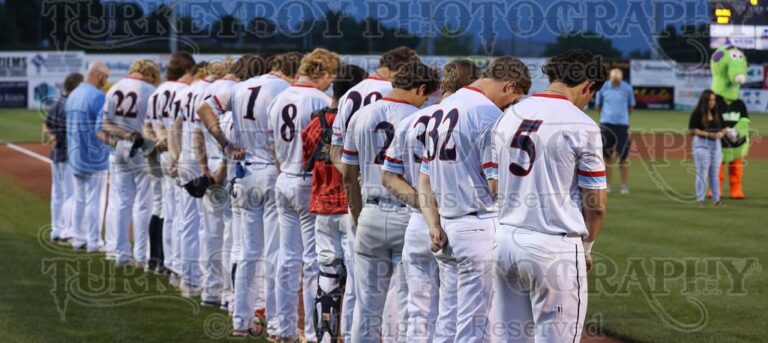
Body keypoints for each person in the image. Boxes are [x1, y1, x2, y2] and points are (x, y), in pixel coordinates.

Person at [489, 49, 608, 342]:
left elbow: (494, 184)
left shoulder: (509, 114)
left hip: (504, 241)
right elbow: (596, 204)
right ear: (588, 85)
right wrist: (587, 247)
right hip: (553, 247)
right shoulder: (582, 124)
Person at [418, 56, 531, 342]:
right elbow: (496, 186)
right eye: (513, 99)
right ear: (509, 86)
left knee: (447, 319)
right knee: (474, 325)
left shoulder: (440, 109)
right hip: (477, 226)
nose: (509, 106)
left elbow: (424, 180)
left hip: (445, 226)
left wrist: (433, 224)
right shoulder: (488, 114)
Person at [381, 59, 480, 343]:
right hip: (460, 221)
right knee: (456, 310)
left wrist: (424, 207)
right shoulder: (477, 118)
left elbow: (389, 177)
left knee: (418, 310)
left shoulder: (412, 120)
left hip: (418, 223)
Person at [341, 60, 440, 342]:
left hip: (370, 210)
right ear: (420, 88)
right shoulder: (421, 119)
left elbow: (348, 176)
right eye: (425, 95)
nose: (425, 101)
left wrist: (358, 216)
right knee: (407, 304)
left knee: (366, 306)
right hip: (409, 211)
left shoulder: (361, 115)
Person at [269, 48, 340, 343]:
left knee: (286, 258)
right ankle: (312, 333)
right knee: (313, 261)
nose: (331, 81)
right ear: (322, 72)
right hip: (308, 182)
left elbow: (272, 143)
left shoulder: (278, 98)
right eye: (331, 75)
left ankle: (282, 328)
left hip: (283, 177)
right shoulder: (319, 100)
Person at [302, 63, 367, 342]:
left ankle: (325, 337)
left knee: (327, 275)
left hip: (323, 206)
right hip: (351, 207)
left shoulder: (314, 122)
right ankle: (350, 335)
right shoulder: (358, 121)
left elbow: (305, 160)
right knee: (355, 276)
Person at [197, 55, 266, 305]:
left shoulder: (205, 89)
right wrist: (223, 162)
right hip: (230, 165)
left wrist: (204, 167)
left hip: (211, 161)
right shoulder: (238, 91)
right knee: (233, 237)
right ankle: (229, 295)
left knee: (210, 233)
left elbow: (196, 130)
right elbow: (231, 134)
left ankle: (211, 290)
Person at [101, 59, 159, 267]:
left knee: (122, 202)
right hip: (142, 148)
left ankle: (121, 254)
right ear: (149, 73)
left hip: (120, 147)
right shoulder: (150, 90)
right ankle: (141, 254)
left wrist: (124, 134)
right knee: (143, 203)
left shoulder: (114, 88)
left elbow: (105, 124)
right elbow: (154, 125)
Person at [146, 51, 196, 289]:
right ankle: (178, 265)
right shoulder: (185, 91)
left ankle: (166, 262)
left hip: (163, 152)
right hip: (181, 155)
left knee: (168, 209)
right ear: (187, 70)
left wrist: (159, 138)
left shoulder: (157, 91)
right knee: (183, 215)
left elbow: (148, 125)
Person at [65, 61, 110, 252]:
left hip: (75, 154)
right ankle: (94, 241)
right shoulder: (98, 96)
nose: (106, 81)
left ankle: (78, 238)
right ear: (98, 75)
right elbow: (102, 127)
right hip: (94, 156)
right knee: (95, 201)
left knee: (80, 199)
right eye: (105, 77)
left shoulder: (73, 94)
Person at [45, 72, 83, 244]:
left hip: (57, 154)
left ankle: (57, 230)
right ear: (76, 86)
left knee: (57, 194)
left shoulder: (56, 103)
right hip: (67, 155)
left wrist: (52, 136)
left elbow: (46, 125)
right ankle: (66, 231)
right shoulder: (71, 104)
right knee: (69, 194)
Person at [595, 68, 635, 194]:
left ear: (621, 78)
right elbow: (598, 106)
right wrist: (606, 117)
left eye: (618, 80)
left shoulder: (627, 88)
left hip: (622, 125)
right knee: (606, 156)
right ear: (610, 78)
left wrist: (623, 117)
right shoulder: (603, 88)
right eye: (614, 80)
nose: (616, 82)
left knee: (623, 157)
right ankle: (607, 185)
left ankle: (624, 186)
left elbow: (630, 106)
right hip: (606, 125)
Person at [689, 90, 726, 207]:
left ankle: (716, 200)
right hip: (701, 144)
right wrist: (709, 134)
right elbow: (693, 130)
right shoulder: (697, 113)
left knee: (714, 174)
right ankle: (700, 200)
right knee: (702, 173)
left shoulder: (717, 113)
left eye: (714, 100)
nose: (712, 102)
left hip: (716, 145)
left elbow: (724, 128)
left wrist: (722, 133)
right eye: (710, 100)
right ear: (704, 101)